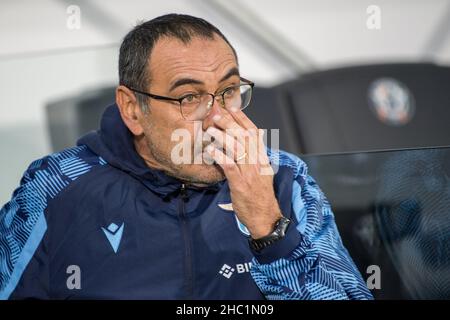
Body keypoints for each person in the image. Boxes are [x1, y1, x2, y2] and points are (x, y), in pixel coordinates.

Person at [0, 14, 372, 300]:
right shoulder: (56, 185)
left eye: (228, 91)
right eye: (189, 97)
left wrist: (268, 227)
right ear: (132, 109)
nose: (216, 117)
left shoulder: (284, 178)